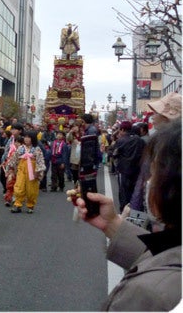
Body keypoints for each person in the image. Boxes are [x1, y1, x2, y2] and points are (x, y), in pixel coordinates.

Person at [73, 119, 181, 311]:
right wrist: (112, 224)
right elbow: (167, 256)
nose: (148, 180)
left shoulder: (149, 295)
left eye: (154, 172)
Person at [8, 130, 46, 213]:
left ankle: (30, 205)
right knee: (19, 187)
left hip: (32, 171)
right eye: (25, 137)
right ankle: (17, 204)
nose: (26, 139)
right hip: (21, 170)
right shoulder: (21, 148)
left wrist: (38, 172)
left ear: (32, 139)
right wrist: (11, 168)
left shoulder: (37, 149)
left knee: (31, 189)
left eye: (28, 137)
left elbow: (40, 161)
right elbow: (14, 158)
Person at [112, 121, 146, 212]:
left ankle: (124, 213)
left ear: (122, 129)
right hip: (137, 171)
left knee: (124, 193)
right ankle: (135, 213)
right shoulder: (140, 140)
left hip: (124, 171)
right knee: (135, 193)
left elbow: (114, 153)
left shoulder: (121, 141)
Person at [1, 122, 23, 206]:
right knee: (9, 181)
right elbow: (7, 150)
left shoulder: (25, 139)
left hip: (20, 164)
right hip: (10, 163)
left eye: (15, 129)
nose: (12, 131)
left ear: (20, 131)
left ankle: (16, 197)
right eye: (12, 129)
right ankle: (8, 197)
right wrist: (4, 159)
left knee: (18, 182)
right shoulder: (11, 139)